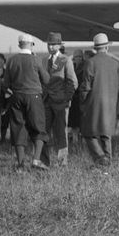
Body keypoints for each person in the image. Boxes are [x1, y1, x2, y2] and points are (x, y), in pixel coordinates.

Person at [3, 34, 50, 171]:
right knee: (39, 127)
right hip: (33, 96)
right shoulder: (36, 60)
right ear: (31, 45)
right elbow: (46, 79)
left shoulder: (11, 60)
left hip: (16, 96)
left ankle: (21, 164)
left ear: (19, 45)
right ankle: (36, 159)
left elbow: (5, 83)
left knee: (18, 128)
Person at [79, 33, 119, 169]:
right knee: (106, 134)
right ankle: (107, 160)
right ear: (107, 47)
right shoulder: (115, 64)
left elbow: (85, 86)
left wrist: (82, 102)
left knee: (88, 133)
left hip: (94, 103)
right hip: (110, 102)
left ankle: (100, 158)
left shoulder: (90, 62)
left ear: (95, 48)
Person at [42, 32, 77, 167]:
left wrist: (66, 98)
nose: (50, 47)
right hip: (46, 101)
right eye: (49, 44)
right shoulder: (44, 60)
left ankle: (62, 162)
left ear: (59, 45)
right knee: (44, 132)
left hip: (61, 103)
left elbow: (72, 81)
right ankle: (44, 162)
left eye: (53, 44)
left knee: (61, 132)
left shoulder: (65, 59)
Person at [67, 49, 85, 146]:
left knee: (80, 122)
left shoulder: (85, 68)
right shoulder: (72, 67)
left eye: (79, 57)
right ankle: (75, 141)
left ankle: (79, 141)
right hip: (73, 98)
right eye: (76, 57)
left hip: (80, 97)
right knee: (74, 123)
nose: (77, 59)